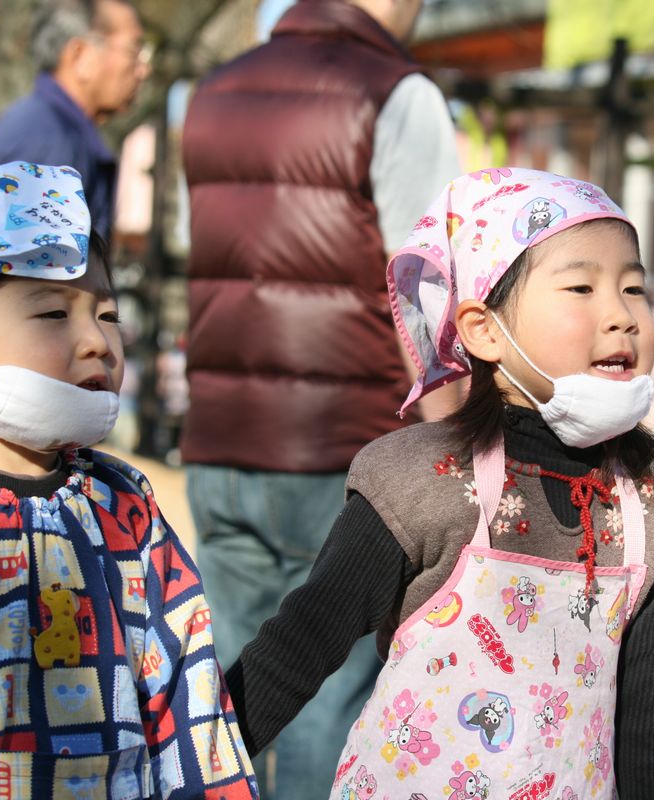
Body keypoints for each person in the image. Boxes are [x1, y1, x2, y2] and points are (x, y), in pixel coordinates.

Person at [225, 168, 654, 800]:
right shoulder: (421, 481)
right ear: (484, 330)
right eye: (581, 286)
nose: (622, 316)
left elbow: (645, 718)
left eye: (634, 288)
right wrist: (179, 768)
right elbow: (298, 649)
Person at [0, 163, 255, 797]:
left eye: (107, 314)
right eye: (53, 314)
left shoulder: (123, 505)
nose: (97, 342)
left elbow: (186, 692)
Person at [180, 0, 460, 795]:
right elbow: (430, 283)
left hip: (221, 437)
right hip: (341, 448)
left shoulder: (214, 92)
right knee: (322, 688)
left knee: (223, 686)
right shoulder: (396, 92)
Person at [0, 0, 149, 239]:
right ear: (80, 55)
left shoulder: (49, 126)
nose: (143, 70)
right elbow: (33, 271)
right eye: (134, 51)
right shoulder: (48, 141)